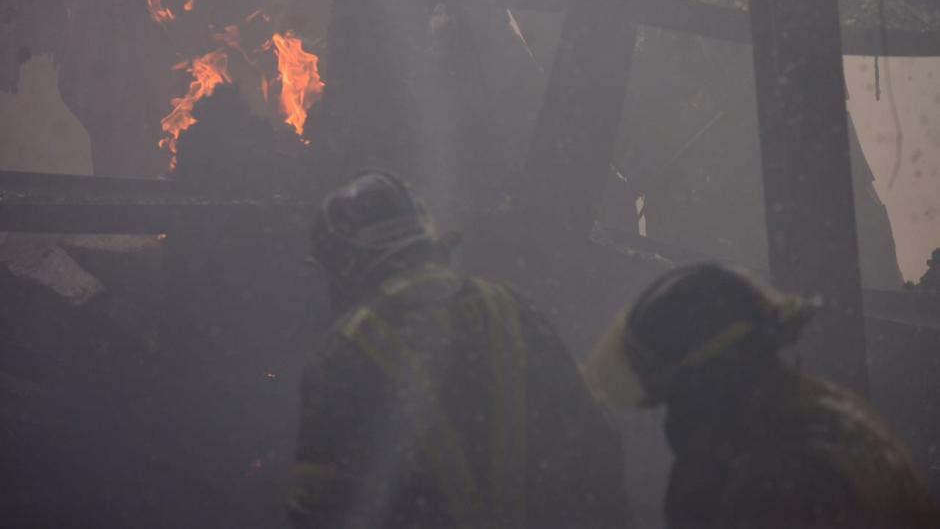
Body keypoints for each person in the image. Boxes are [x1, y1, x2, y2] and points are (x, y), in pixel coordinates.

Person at [289, 171, 631, 528]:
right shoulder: (511, 308)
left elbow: (320, 512)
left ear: (343, 264)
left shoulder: (345, 351)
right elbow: (598, 449)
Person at [586, 263, 939, 529]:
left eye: (676, 402)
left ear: (708, 387)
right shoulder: (818, 416)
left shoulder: (782, 480)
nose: (674, 424)